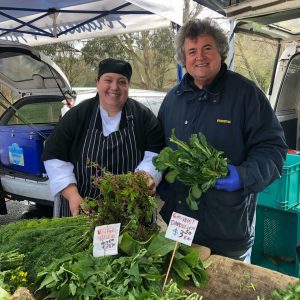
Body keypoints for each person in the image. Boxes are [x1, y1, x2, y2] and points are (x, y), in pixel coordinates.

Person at [157, 18, 288, 263]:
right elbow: (158, 148)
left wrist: (243, 176)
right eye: (192, 51)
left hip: (227, 228)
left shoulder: (246, 95)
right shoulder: (173, 99)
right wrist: (161, 178)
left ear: (220, 52)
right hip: (180, 223)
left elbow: (273, 148)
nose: (200, 57)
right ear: (184, 58)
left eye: (207, 48)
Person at [42, 58, 164, 217]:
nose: (115, 87)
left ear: (128, 86)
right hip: (83, 209)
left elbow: (157, 152)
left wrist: (146, 175)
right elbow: (54, 154)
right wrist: (72, 195)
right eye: (108, 80)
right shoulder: (78, 115)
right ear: (98, 82)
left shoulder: (143, 116)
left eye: (122, 81)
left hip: (131, 210)